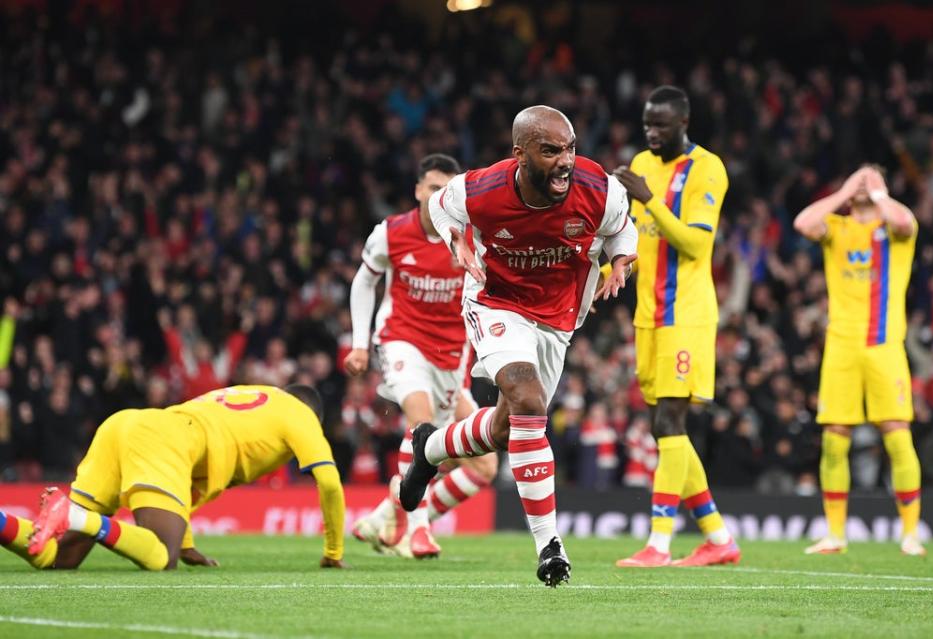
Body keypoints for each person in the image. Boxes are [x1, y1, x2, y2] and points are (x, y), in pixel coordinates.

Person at [399, 105, 638, 587]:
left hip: (558, 317)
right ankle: (550, 546)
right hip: (496, 302)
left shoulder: (599, 188)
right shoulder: (480, 189)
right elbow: (439, 208)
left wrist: (620, 263)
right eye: (551, 151)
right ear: (520, 154)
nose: (566, 160)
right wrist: (456, 243)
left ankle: (430, 449)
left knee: (513, 427)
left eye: (570, 148)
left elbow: (621, 229)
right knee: (528, 401)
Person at [606, 85, 740, 568]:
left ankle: (659, 543)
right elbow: (639, 245)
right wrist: (607, 272)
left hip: (687, 313)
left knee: (669, 422)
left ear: (684, 123)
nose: (651, 132)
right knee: (665, 429)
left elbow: (695, 245)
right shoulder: (641, 163)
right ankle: (718, 536)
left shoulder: (707, 168)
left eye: (660, 125)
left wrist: (649, 200)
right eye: (647, 123)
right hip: (649, 316)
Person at [0, 384, 345, 570]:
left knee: (60, 557)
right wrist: (333, 551)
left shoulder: (253, 395)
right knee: (163, 556)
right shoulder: (301, 415)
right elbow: (329, 482)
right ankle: (74, 515)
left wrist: (189, 543)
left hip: (125, 426)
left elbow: (187, 473)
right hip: (160, 439)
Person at [344, 154, 497, 559]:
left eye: (448, 190)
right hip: (401, 341)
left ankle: (390, 517)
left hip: (452, 356)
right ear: (418, 190)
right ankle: (419, 530)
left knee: (484, 466)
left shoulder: (470, 237)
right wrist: (360, 344)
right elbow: (364, 282)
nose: (438, 196)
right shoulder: (391, 233)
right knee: (421, 423)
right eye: (433, 188)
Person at [794, 165, 924, 556]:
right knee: (835, 439)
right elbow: (804, 223)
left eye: (870, 180)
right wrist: (845, 189)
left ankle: (911, 534)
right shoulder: (838, 227)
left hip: (885, 345)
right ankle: (835, 534)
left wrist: (880, 193)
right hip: (841, 346)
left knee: (897, 433)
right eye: (859, 180)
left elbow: (904, 221)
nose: (863, 185)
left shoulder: (896, 227)